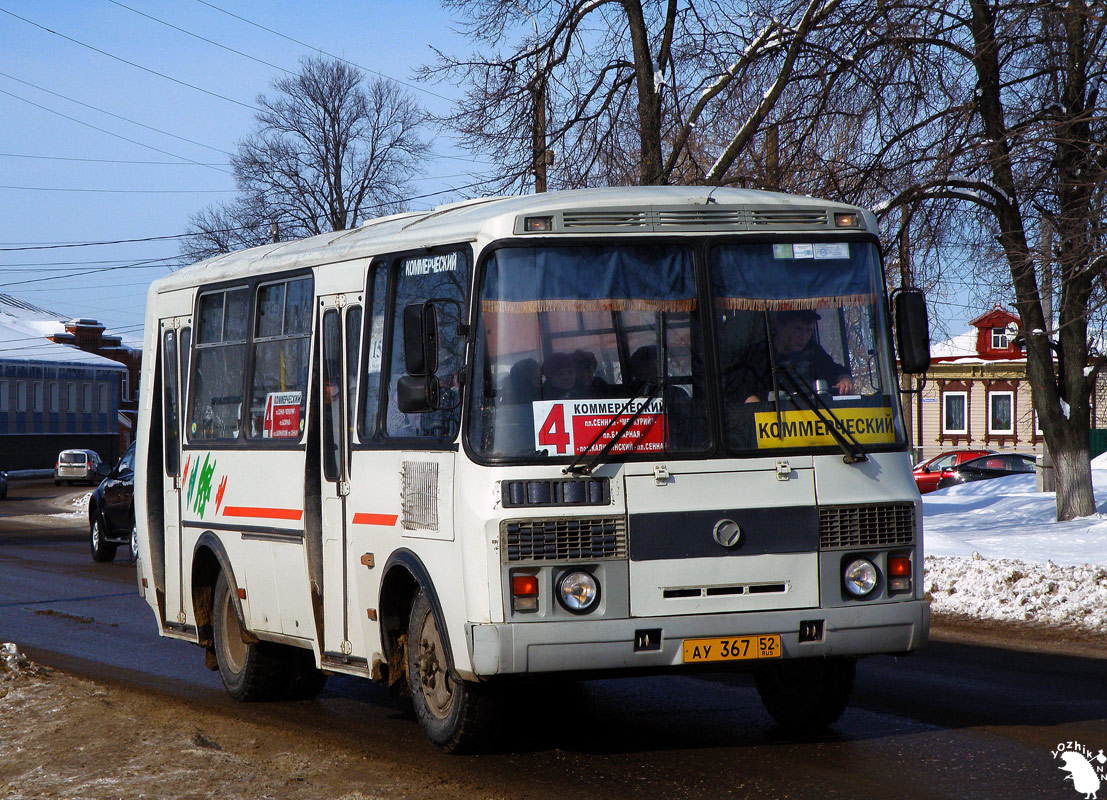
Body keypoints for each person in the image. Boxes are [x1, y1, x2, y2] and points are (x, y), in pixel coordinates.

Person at [743, 309, 853, 402]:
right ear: (780, 327)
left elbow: (836, 371)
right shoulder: (757, 355)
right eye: (797, 329)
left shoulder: (813, 352)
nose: (803, 337)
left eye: (808, 331)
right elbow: (741, 391)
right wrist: (755, 406)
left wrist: (844, 379)